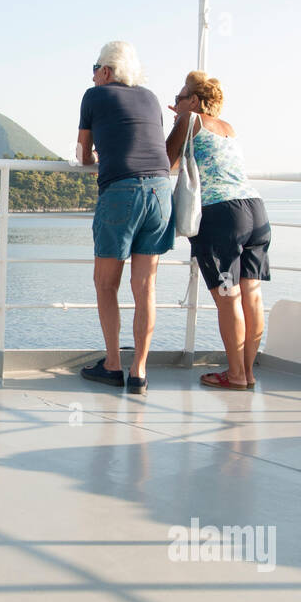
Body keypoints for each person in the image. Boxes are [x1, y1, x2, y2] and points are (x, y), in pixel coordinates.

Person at [77, 40, 174, 395]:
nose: (93, 76)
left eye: (94, 69)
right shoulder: (149, 97)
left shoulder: (94, 95)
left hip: (122, 192)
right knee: (145, 287)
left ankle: (113, 365)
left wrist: (93, 155)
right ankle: (139, 372)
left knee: (106, 284)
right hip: (161, 193)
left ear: (105, 71)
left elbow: (84, 154)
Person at [166, 71, 270, 390]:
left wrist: (177, 122)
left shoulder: (190, 121)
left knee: (228, 298)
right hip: (255, 210)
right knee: (252, 299)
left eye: (179, 99)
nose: (174, 105)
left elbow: (164, 162)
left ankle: (236, 375)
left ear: (194, 101)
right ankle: (246, 373)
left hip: (222, 216)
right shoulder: (228, 129)